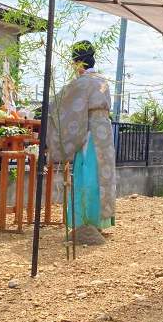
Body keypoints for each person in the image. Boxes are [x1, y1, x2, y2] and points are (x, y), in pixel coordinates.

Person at [46, 41, 116, 231]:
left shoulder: (82, 83)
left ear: (77, 63)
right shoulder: (103, 80)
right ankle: (101, 222)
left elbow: (59, 106)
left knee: (87, 175)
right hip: (105, 133)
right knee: (103, 175)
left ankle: (86, 221)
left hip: (89, 132)